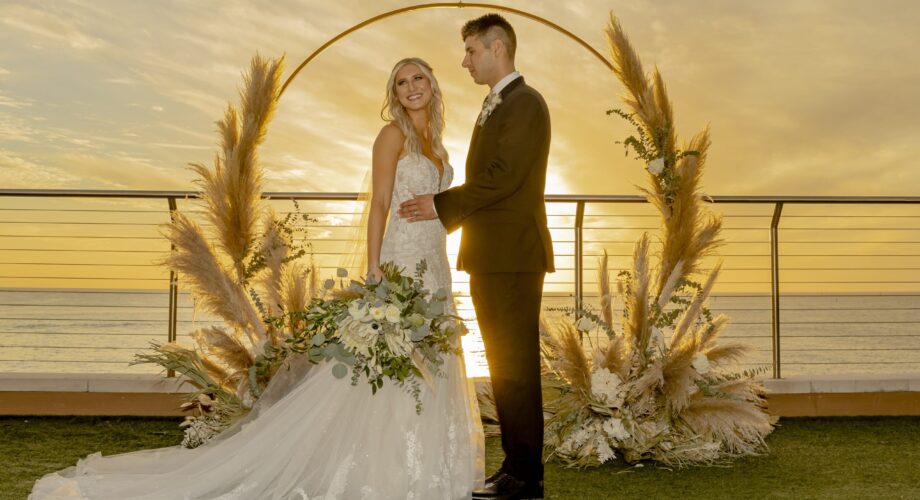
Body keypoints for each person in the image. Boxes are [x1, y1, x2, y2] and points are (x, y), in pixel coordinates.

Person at [29, 57, 485, 500]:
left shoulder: (440, 144)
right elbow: (381, 203)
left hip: (435, 265)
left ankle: (426, 466)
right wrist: (373, 265)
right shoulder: (391, 136)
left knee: (433, 359)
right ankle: (385, 468)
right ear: (395, 94)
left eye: (418, 77)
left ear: (432, 85)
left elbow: (443, 207)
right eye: (402, 82)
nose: (411, 87)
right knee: (385, 366)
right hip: (400, 259)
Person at [399, 13, 554, 500]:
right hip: (493, 255)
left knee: (517, 366)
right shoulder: (500, 103)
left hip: (511, 256)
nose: (464, 61)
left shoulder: (525, 103)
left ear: (497, 48)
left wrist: (441, 206)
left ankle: (525, 477)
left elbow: (504, 176)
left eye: (470, 51)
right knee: (506, 365)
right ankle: (514, 467)